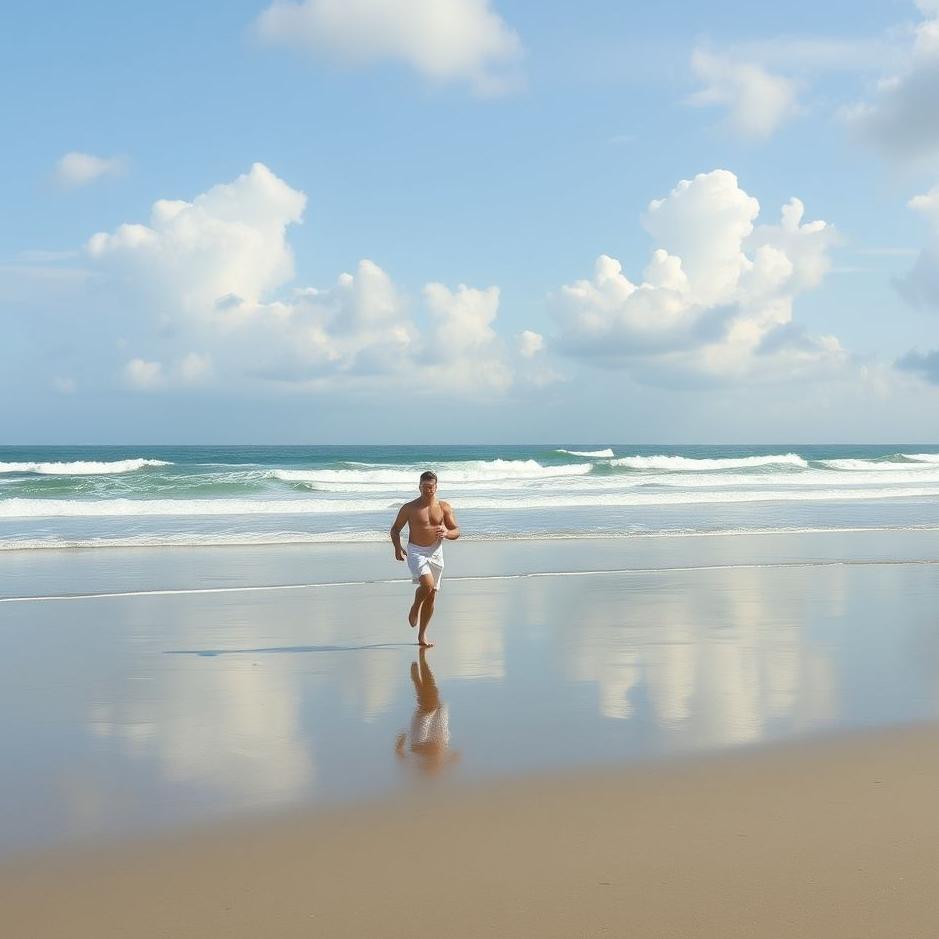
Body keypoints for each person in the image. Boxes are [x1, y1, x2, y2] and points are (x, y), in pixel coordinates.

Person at [390, 470, 460, 647]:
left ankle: (422, 636)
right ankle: (415, 606)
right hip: (416, 551)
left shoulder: (444, 507)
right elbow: (395, 529)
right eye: (424, 487)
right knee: (427, 585)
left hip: (436, 552)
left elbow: (456, 531)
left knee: (431, 596)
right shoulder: (409, 508)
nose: (427, 490)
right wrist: (397, 548)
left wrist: (447, 532)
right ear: (419, 487)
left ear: (436, 487)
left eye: (430, 487)